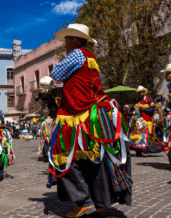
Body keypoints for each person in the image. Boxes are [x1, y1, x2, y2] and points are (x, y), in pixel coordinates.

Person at [48, 23, 132, 217]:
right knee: (93, 161)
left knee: (63, 154)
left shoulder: (77, 54)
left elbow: (56, 73)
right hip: (94, 112)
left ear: (76, 40)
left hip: (81, 116)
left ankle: (84, 201)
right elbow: (80, 84)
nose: (65, 45)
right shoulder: (89, 58)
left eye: (67, 40)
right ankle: (98, 202)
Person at [129, 86, 155, 156]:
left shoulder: (149, 99)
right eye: (139, 92)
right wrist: (131, 109)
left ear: (144, 92)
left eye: (141, 92)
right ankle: (138, 151)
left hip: (146, 120)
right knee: (137, 135)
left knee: (145, 135)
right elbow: (133, 108)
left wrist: (145, 110)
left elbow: (153, 110)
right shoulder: (136, 100)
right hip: (137, 120)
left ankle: (145, 150)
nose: (140, 93)